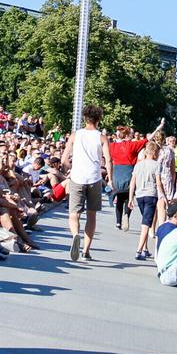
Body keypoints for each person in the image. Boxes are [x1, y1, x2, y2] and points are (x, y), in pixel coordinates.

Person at [60, 104, 112, 262]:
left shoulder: (76, 135)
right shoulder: (101, 137)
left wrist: (71, 169)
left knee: (74, 213)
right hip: (94, 178)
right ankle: (86, 251)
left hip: (77, 176)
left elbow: (63, 160)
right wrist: (110, 178)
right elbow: (108, 160)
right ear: (99, 119)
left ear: (84, 118)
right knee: (91, 215)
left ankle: (75, 234)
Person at [128, 142, 162, 260]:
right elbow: (158, 182)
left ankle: (145, 248)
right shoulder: (156, 165)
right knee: (146, 224)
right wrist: (162, 195)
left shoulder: (138, 165)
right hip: (151, 194)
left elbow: (132, 181)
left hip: (139, 195)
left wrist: (131, 197)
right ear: (154, 153)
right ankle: (139, 250)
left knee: (145, 220)